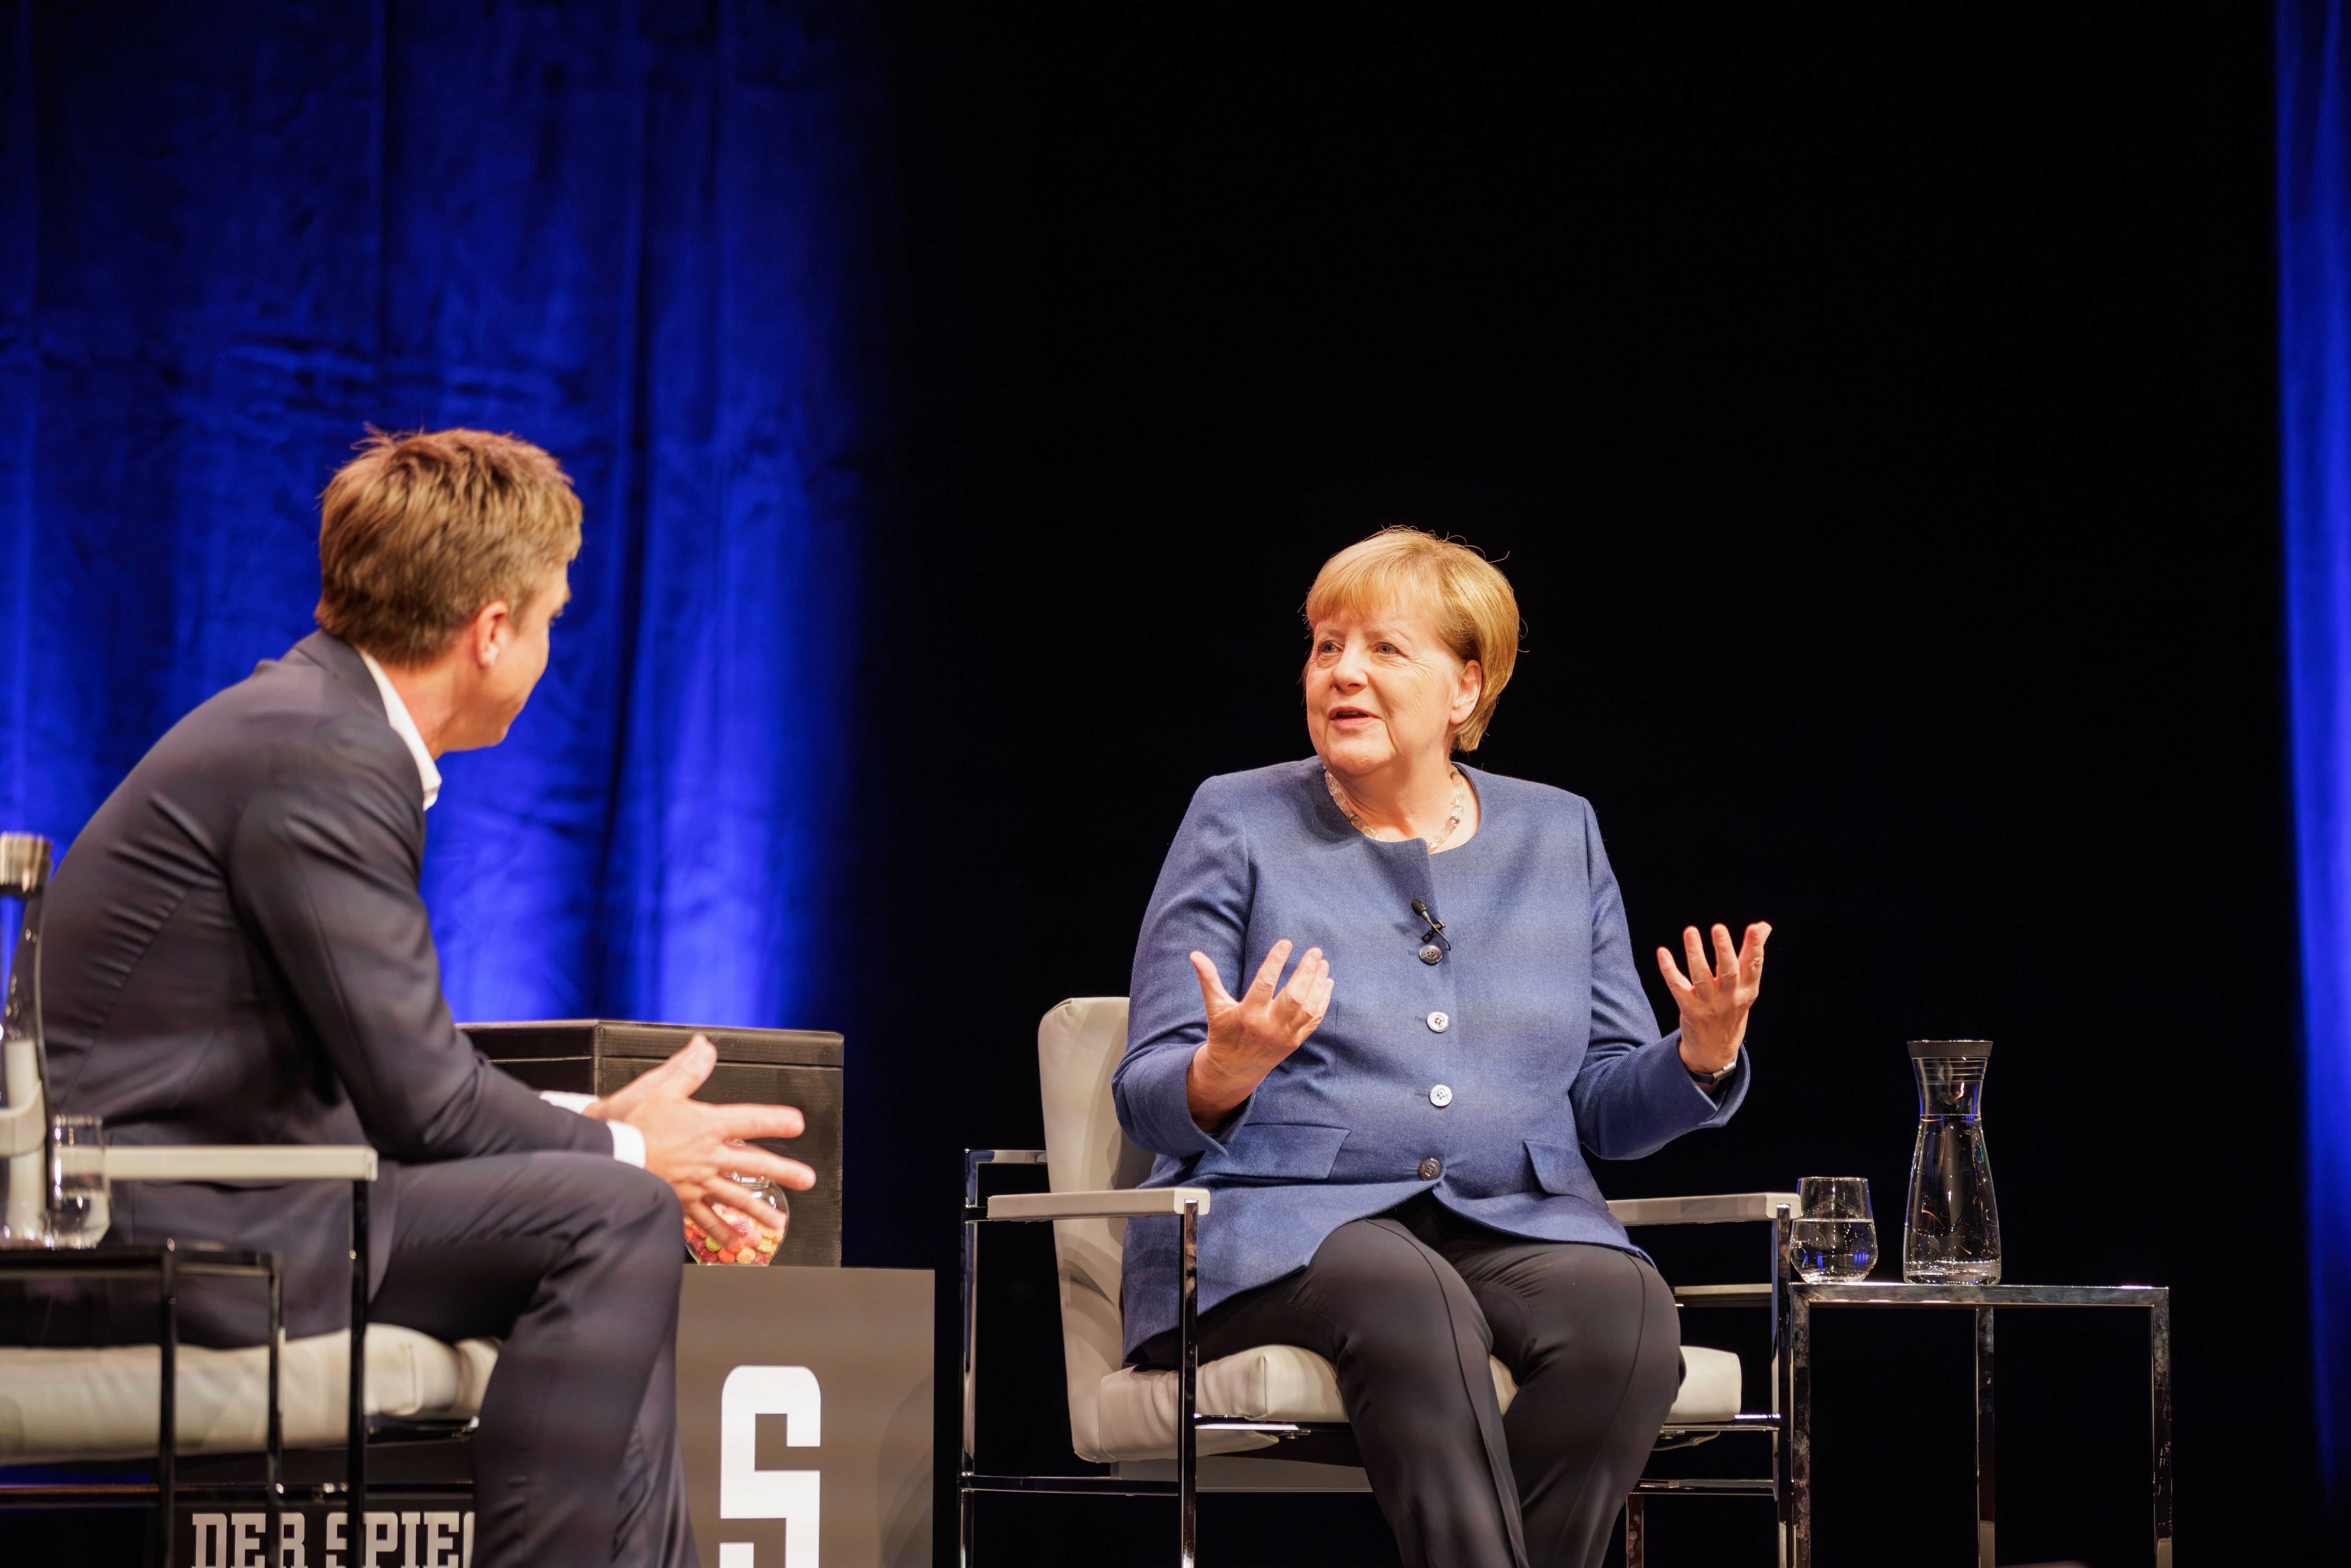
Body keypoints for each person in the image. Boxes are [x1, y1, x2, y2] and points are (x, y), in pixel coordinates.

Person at [28, 429, 812, 1567]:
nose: (548, 651)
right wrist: (631, 1151)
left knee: (615, 1223)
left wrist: (596, 1136)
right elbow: (425, 1103)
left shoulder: (315, 728)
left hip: (246, 1201)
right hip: (157, 1232)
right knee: (616, 1216)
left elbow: (406, 1078)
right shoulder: (321, 755)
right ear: (491, 631)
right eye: (549, 619)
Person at [1114, 527, 1770, 1568]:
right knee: (1408, 1290)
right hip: (1277, 1226)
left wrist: (1695, 1057)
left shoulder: (1560, 834)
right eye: (1327, 646)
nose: (1344, 673)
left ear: (1466, 688)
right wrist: (1220, 1070)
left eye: (1383, 648)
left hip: (1506, 1215)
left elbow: (1603, 1105)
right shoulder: (1236, 820)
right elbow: (1143, 1089)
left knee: (1628, 1311)